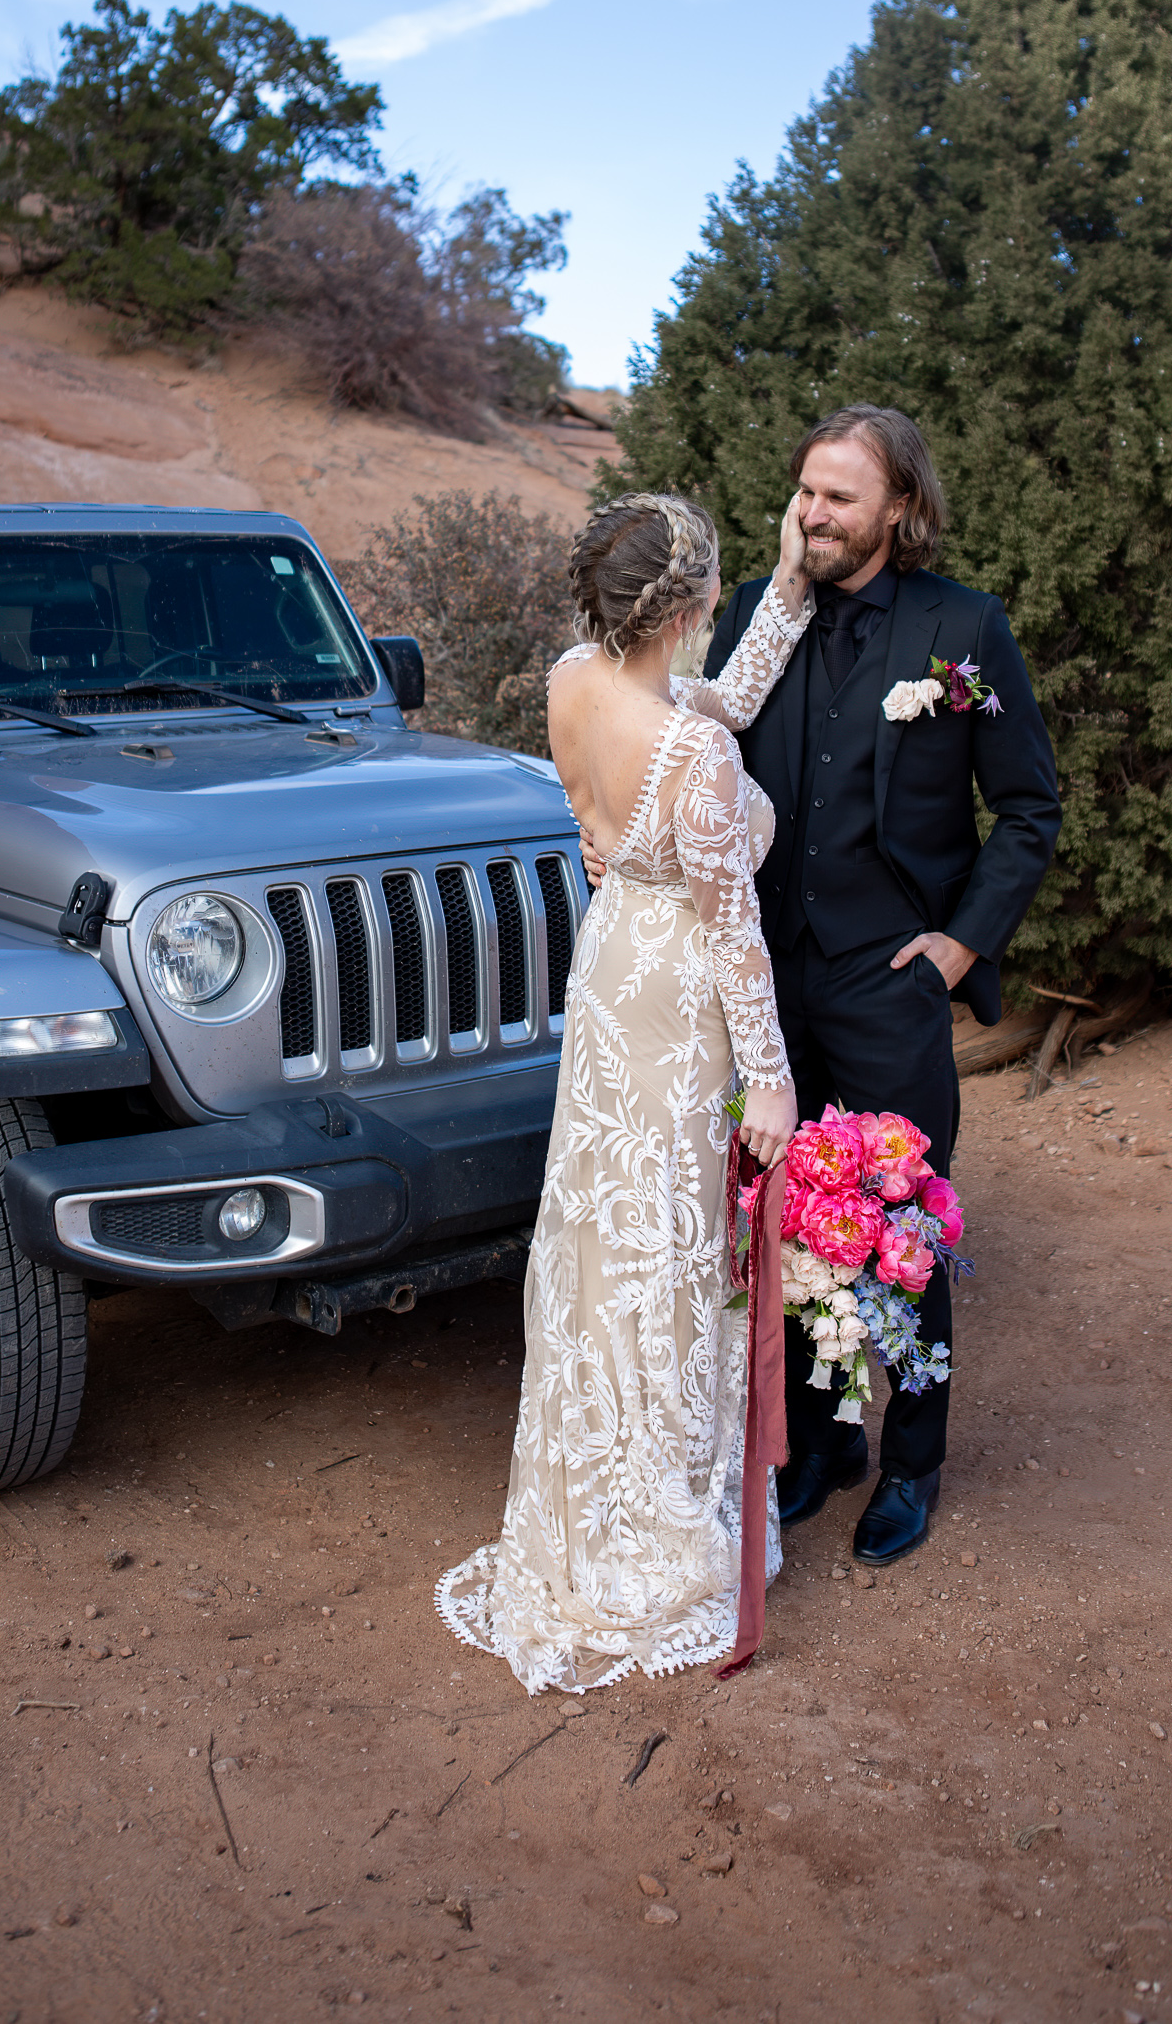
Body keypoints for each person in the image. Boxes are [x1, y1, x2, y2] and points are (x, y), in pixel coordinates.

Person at [435, 491, 814, 1694]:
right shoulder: (692, 754)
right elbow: (734, 932)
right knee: (664, 1234)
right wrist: (771, 1079)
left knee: (611, 1227)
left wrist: (787, 593)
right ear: (690, 608)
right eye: (719, 605)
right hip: (676, 994)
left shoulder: (569, 680)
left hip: (606, 965)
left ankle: (594, 1487)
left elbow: (682, 732)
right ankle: (647, 1521)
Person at [702, 405, 1061, 1565]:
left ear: (896, 508)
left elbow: (1028, 809)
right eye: (805, 490)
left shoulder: (963, 628)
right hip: (771, 989)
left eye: (837, 497)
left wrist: (956, 947)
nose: (811, 513)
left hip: (884, 978)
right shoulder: (763, 623)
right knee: (791, 1222)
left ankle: (907, 1459)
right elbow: (699, 755)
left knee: (900, 1227)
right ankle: (817, 1443)